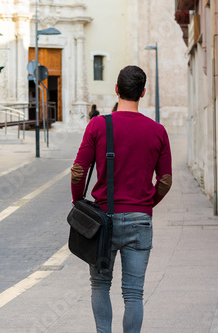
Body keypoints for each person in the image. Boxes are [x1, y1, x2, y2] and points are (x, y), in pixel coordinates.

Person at [70, 65, 172, 333]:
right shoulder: (157, 131)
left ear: (116, 90)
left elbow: (79, 171)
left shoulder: (98, 125)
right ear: (143, 93)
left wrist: (77, 201)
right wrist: (147, 204)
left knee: (100, 285)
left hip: (102, 221)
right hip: (140, 221)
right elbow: (165, 181)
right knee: (134, 293)